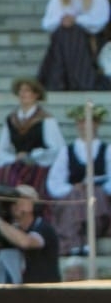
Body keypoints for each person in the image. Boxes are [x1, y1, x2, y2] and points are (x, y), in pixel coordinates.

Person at [47, 104, 111, 257]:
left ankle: (88, 237)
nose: (84, 126)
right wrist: (73, 189)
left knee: (93, 195)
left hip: (100, 197)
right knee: (76, 197)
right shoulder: (67, 151)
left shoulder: (107, 149)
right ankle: (74, 240)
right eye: (81, 122)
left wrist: (97, 187)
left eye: (89, 122)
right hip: (74, 196)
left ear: (96, 124)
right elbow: (54, 182)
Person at [0, 184, 61, 284]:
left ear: (31, 204)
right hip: (17, 293)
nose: (15, 204)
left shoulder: (43, 228)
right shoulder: (8, 229)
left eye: (19, 199)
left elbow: (26, 242)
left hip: (43, 291)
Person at [0, 78, 64, 193]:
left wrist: (32, 156)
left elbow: (56, 148)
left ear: (36, 95)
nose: (23, 94)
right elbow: (1, 150)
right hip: (16, 165)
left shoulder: (46, 119)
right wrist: (15, 158)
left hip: (38, 166)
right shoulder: (11, 119)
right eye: (20, 91)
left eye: (27, 90)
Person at [38, 0, 110, 91]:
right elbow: (46, 23)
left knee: (73, 32)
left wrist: (76, 20)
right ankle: (75, 80)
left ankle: (60, 80)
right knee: (64, 33)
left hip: (90, 40)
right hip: (64, 37)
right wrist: (62, 20)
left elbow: (100, 21)